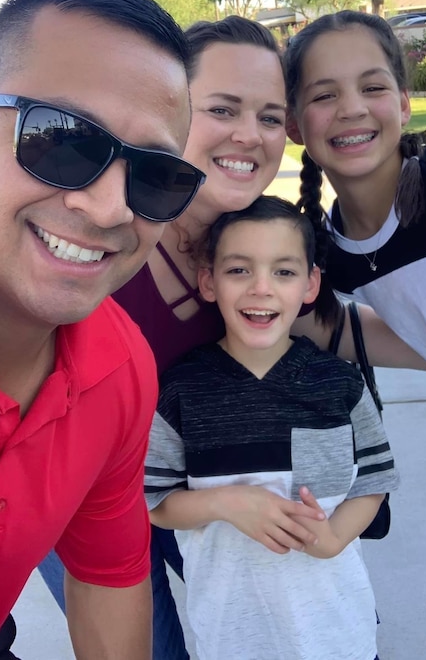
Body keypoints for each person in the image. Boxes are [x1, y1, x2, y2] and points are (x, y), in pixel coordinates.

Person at [38, 13, 426, 659]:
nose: (248, 135)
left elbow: (333, 329)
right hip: (82, 502)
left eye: (270, 117)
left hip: (209, 489)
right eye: (222, 109)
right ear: (170, 109)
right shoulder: (101, 233)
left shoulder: (255, 250)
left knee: (275, 626)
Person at [0, 0, 205, 659]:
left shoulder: (116, 366)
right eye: (62, 141)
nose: (109, 209)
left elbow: (106, 576)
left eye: (155, 176)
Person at [283, 9, 426, 660]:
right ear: (294, 125)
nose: (352, 109)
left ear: (402, 104)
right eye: (324, 95)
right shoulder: (331, 251)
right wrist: (305, 323)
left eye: (372, 87)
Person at [145, 195, 399, 660]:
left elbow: (374, 481)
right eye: (239, 270)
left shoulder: (339, 383)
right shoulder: (182, 390)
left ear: (310, 284)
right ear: (208, 281)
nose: (261, 288)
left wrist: (335, 536)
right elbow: (155, 501)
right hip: (233, 639)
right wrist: (228, 502)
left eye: (283, 271)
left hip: (338, 634)